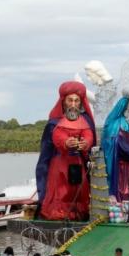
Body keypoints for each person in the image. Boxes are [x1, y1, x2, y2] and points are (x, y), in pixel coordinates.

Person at [35, 81, 97, 220]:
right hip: (60, 164)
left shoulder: (85, 121)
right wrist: (65, 142)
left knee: (79, 189)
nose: (73, 104)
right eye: (70, 100)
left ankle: (79, 213)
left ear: (81, 103)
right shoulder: (54, 123)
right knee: (62, 190)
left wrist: (85, 143)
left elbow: (89, 136)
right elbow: (56, 138)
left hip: (78, 162)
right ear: (64, 102)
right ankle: (60, 214)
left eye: (76, 100)